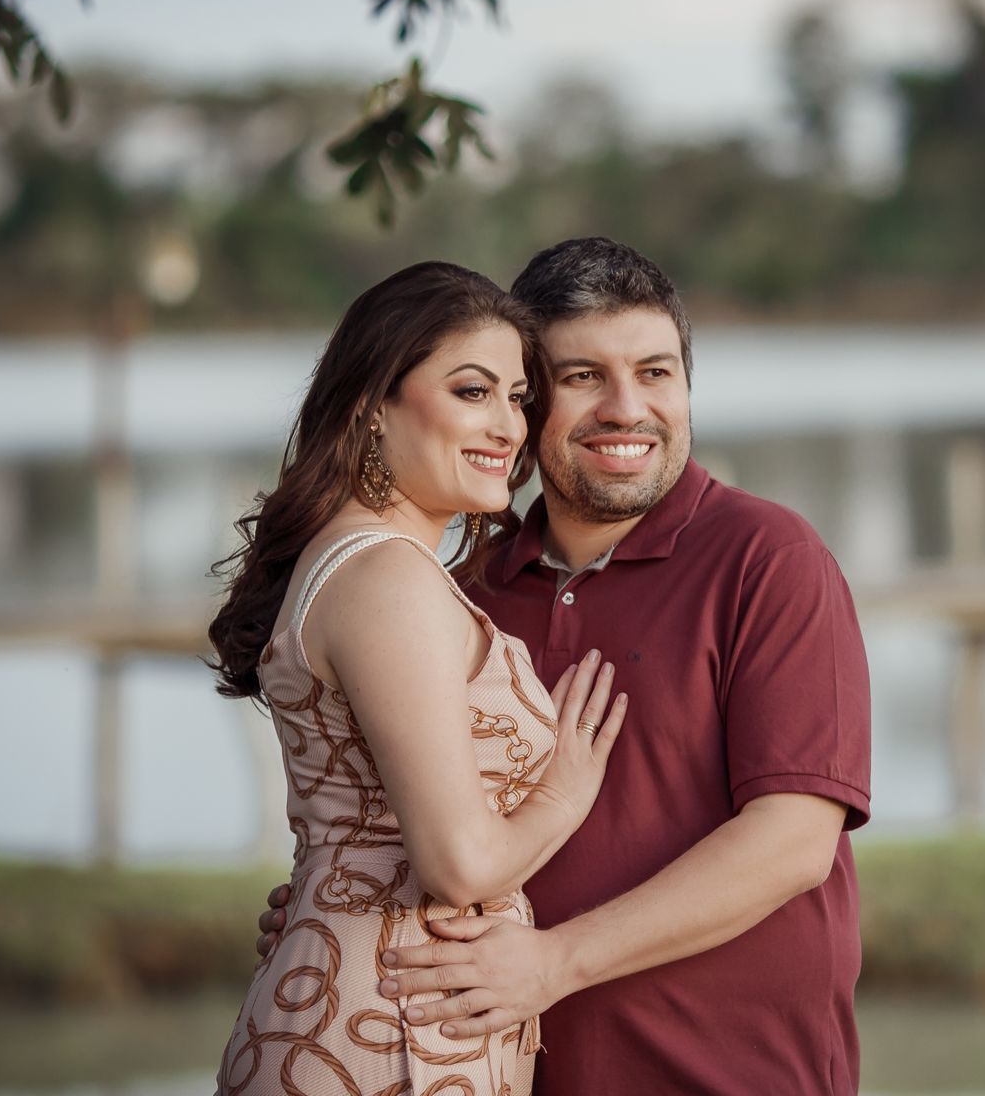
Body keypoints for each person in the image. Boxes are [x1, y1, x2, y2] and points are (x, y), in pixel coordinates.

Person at [258, 237, 874, 1094]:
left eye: (656, 373)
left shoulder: (769, 559)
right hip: (500, 1073)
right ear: (529, 402)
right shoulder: (458, 588)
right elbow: (402, 814)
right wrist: (343, 906)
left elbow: (794, 842)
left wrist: (555, 963)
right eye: (583, 377)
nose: (628, 408)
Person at [210, 261, 628, 1094]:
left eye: (517, 398)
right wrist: (566, 793)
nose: (509, 427)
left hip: (382, 1006)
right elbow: (461, 866)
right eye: (473, 391)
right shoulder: (388, 579)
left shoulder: (370, 565)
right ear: (372, 407)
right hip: (387, 1033)